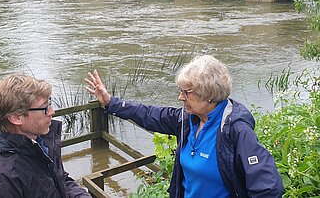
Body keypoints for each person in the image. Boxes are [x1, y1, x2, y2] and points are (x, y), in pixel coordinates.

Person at [85, 55, 284, 198]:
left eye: (186, 92)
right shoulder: (188, 120)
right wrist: (111, 102)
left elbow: (268, 187)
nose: (181, 97)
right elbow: (148, 114)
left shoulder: (235, 130)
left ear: (208, 94)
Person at [0, 74, 91, 198]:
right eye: (45, 107)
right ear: (16, 118)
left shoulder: (38, 143)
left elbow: (60, 180)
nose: (52, 112)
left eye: (49, 104)